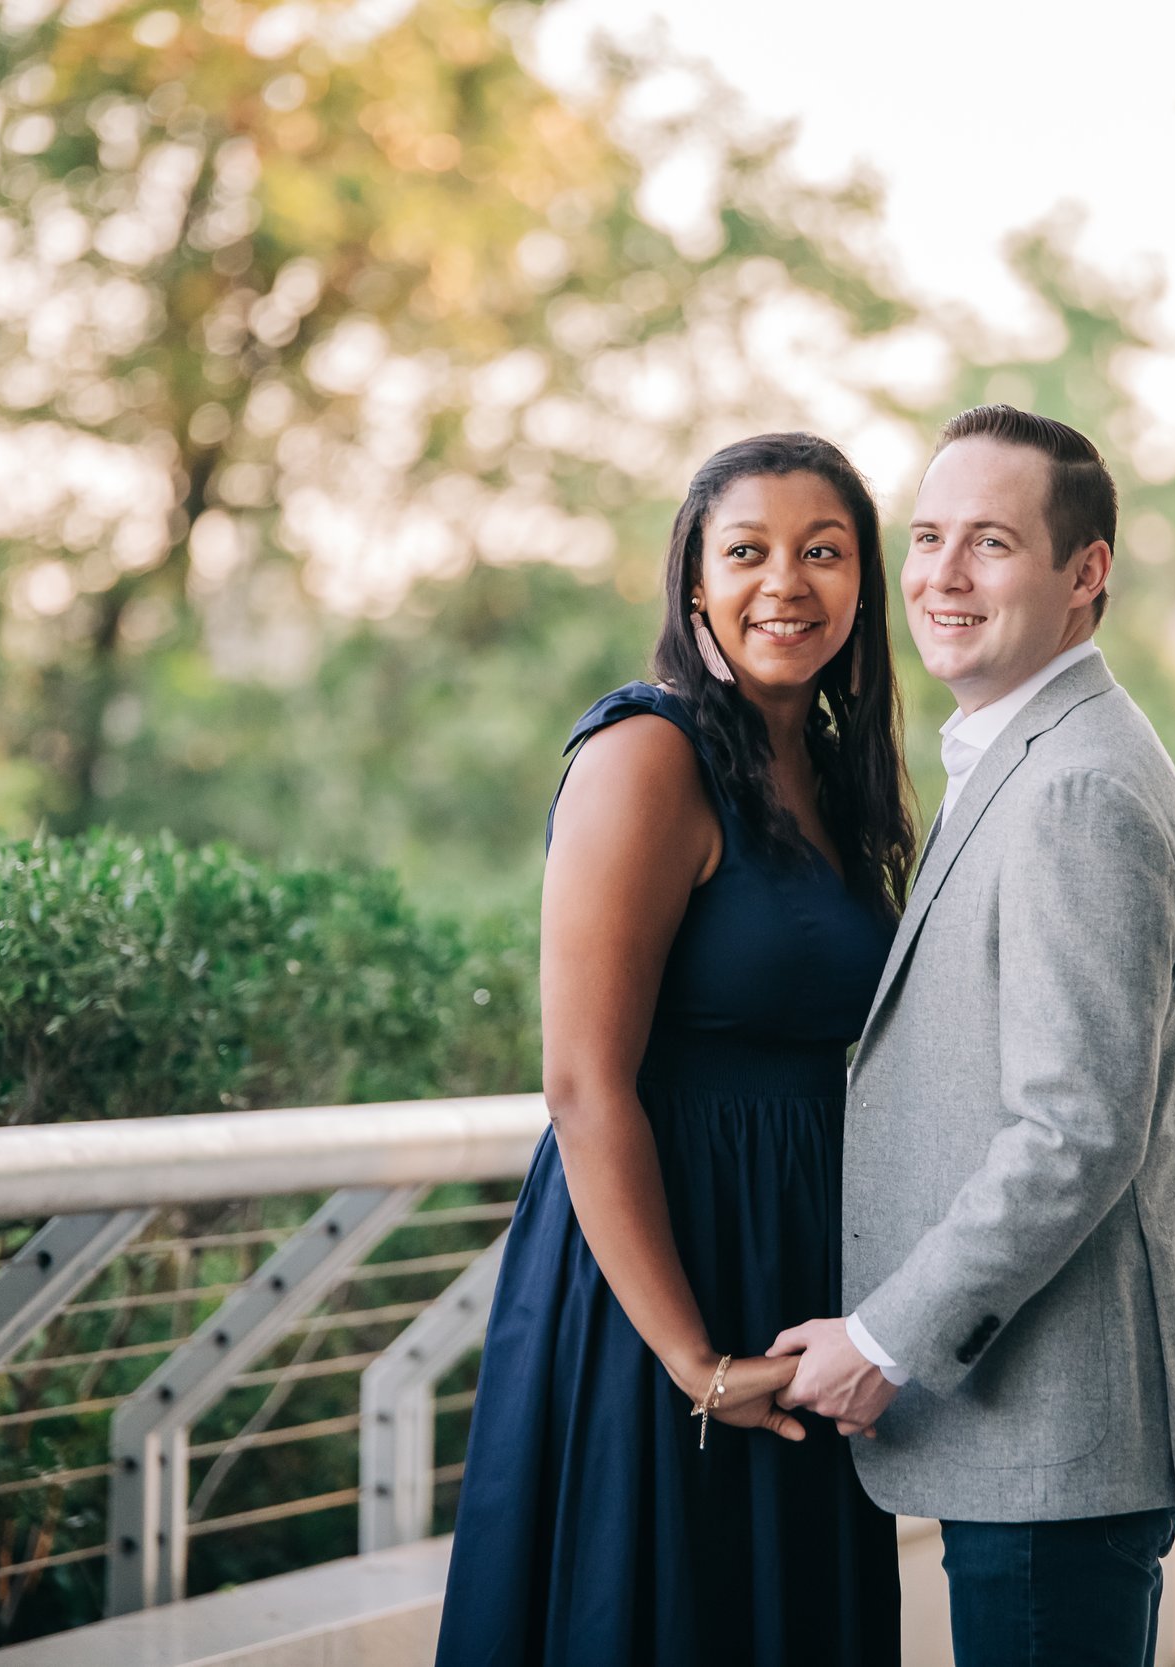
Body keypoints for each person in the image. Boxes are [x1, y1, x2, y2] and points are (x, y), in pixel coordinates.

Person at [770, 406, 1175, 1667]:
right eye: (927, 536)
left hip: (1057, 1423)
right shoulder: (1020, 753)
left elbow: (1074, 1128)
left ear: (1083, 572)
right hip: (1034, 1417)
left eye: (989, 542)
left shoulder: (1075, 785)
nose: (940, 575)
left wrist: (886, 1337)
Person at [434, 433, 915, 1667]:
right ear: (692, 583)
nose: (786, 583)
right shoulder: (647, 753)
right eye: (746, 551)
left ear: (861, 585)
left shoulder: (835, 770)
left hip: (797, 1260)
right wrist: (695, 1360)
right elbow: (583, 1084)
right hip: (661, 1276)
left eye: (823, 551)